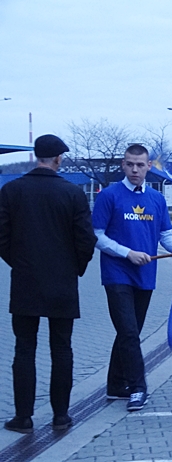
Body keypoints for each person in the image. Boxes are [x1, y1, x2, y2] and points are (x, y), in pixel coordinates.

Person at [0, 134, 96, 433]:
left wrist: (19, 263)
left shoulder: (12, 190)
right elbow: (86, 240)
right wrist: (74, 269)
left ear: (36, 157)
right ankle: (61, 416)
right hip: (62, 283)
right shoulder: (72, 193)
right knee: (62, 349)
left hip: (26, 281)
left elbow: (2, 236)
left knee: (24, 349)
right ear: (58, 158)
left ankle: (23, 417)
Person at [92, 144, 172, 412]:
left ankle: (114, 385)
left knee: (129, 332)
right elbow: (97, 235)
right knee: (130, 332)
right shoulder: (109, 195)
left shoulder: (156, 199)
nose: (135, 169)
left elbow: (165, 234)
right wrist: (126, 253)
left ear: (148, 167)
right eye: (130, 164)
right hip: (117, 273)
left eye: (140, 165)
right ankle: (138, 388)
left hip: (146, 275)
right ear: (123, 165)